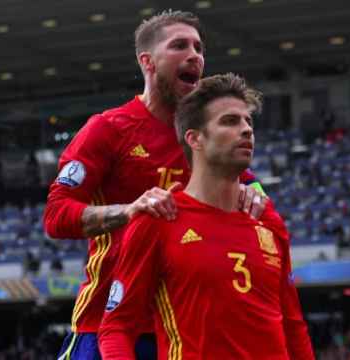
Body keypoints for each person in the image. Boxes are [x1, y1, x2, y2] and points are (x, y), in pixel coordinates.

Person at [44, 11, 267, 360]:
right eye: (179, 45)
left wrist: (257, 197)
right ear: (147, 61)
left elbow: (252, 188)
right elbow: (56, 215)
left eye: (198, 47)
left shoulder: (204, 137)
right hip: (107, 324)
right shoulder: (108, 129)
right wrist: (129, 211)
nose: (195, 55)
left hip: (185, 330)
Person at [98, 73, 314, 359]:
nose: (247, 130)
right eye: (230, 121)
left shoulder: (268, 220)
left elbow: (293, 326)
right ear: (195, 139)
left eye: (248, 121)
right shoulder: (158, 219)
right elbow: (116, 328)